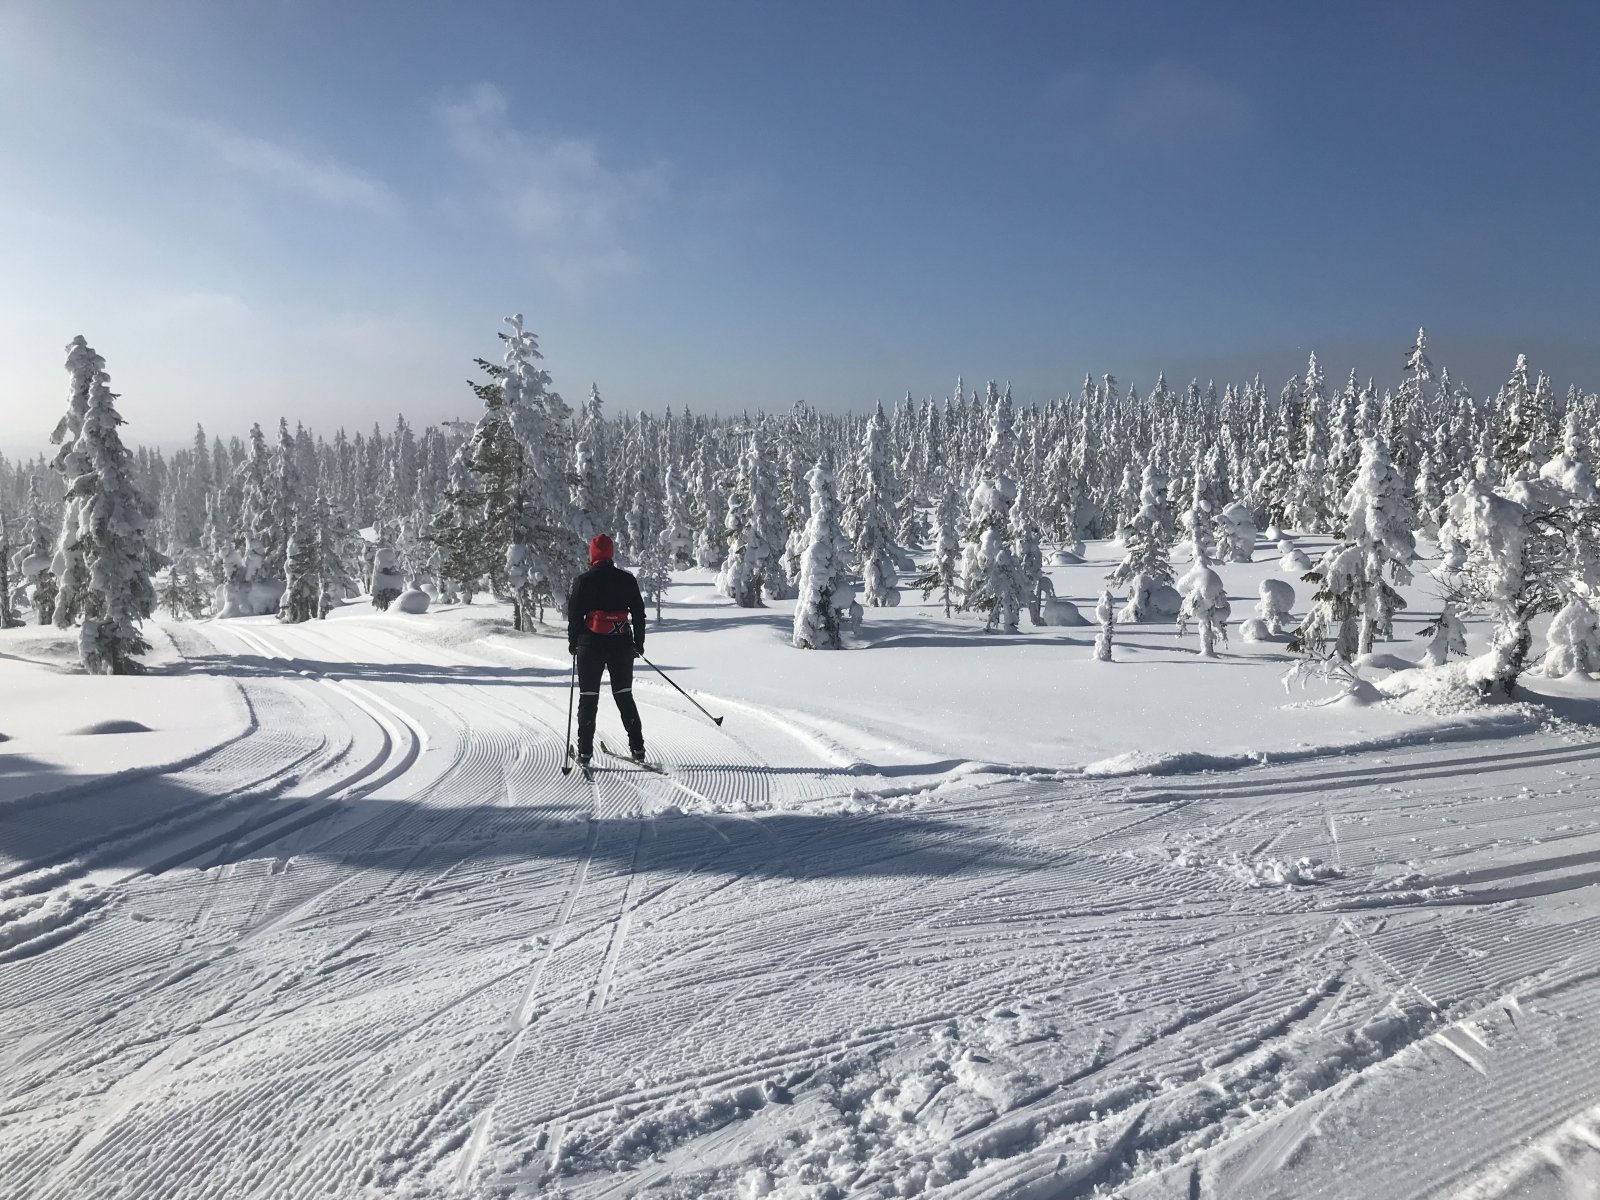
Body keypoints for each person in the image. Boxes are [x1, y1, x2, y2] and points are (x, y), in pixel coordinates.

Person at [566, 533, 647, 767]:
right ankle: (638, 748)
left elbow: (574, 616)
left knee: (588, 698)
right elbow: (638, 614)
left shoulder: (583, 581)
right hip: (621, 645)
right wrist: (638, 644)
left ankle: (584, 752)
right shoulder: (626, 579)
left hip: (590, 646)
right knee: (624, 695)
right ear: (611, 554)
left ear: (593, 555)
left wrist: (573, 643)